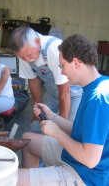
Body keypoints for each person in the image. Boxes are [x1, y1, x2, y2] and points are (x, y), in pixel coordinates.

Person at [17, 34, 109, 186]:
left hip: (84, 175)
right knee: (28, 139)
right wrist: (52, 117)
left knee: (10, 178)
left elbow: (90, 159)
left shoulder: (97, 99)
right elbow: (82, 130)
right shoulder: (99, 84)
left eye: (62, 65)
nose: (61, 72)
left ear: (76, 63)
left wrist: (56, 133)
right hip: (73, 158)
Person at [10, 26, 83, 133]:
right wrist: (38, 111)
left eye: (29, 55)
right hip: (53, 92)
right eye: (22, 57)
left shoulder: (54, 50)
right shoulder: (24, 53)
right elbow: (33, 80)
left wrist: (62, 123)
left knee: (68, 131)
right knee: (37, 127)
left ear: (37, 42)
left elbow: (64, 91)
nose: (26, 60)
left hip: (72, 93)